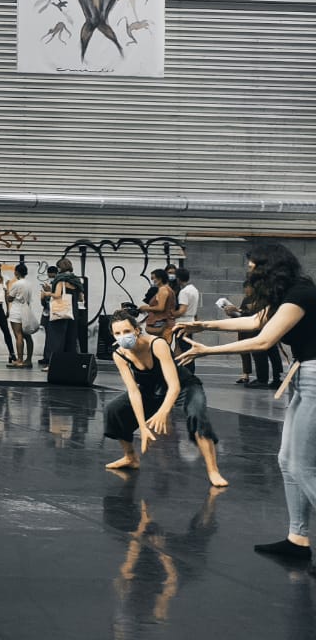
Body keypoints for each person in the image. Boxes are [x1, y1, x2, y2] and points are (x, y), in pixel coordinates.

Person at [176, 243, 316, 567]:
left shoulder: (301, 293)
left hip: (314, 375)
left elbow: (264, 340)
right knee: (287, 461)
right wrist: (203, 326)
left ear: (271, 268)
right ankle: (297, 539)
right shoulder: (286, 294)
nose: (250, 273)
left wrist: (207, 351)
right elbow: (254, 321)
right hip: (303, 375)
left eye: (254, 267)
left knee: (302, 466)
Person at [101, 309, 227, 488]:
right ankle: (130, 457)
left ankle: (213, 470)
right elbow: (134, 392)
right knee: (114, 410)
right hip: (151, 389)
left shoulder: (157, 344)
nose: (123, 336)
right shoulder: (120, 355)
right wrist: (142, 427)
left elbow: (174, 386)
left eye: (126, 331)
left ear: (137, 330)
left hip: (184, 385)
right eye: (118, 333)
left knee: (197, 416)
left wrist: (163, 412)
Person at [42, 258, 84, 365]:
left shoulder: (61, 280)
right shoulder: (76, 280)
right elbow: (81, 298)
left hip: (60, 312)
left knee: (55, 339)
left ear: (60, 268)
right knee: (70, 338)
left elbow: (57, 295)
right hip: (72, 312)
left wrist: (47, 293)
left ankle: (53, 363)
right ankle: (69, 363)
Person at [7, 262, 41, 369]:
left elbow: (10, 298)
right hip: (26, 311)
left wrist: (6, 290)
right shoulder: (29, 284)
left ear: (17, 272)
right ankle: (28, 360)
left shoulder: (16, 284)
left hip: (17, 311)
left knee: (18, 335)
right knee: (27, 336)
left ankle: (20, 360)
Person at [141, 268, 179, 338]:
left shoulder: (163, 290)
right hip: (165, 322)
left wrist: (146, 308)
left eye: (154, 278)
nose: (153, 280)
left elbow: (160, 308)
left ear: (160, 278)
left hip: (162, 323)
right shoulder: (168, 289)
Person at [174, 267, 200, 332]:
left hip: (182, 322)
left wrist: (171, 315)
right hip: (191, 320)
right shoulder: (194, 289)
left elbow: (182, 311)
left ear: (178, 279)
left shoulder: (184, 292)